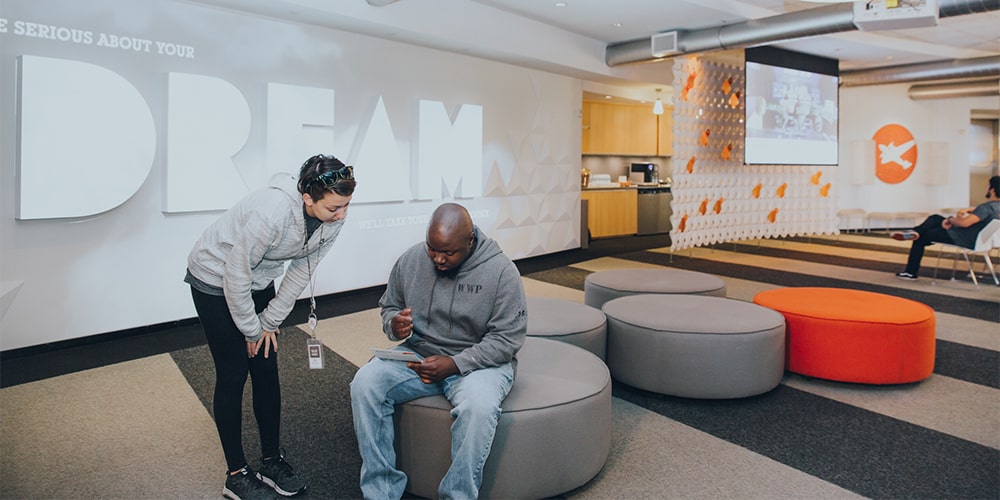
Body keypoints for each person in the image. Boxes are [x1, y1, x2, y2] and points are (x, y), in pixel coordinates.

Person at [185, 154, 356, 500]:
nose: (342, 215)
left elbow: (301, 271)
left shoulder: (333, 220)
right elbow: (235, 274)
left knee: (265, 367)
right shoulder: (273, 211)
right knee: (233, 372)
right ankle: (236, 474)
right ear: (308, 197)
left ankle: (271, 460)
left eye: (346, 206)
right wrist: (252, 329)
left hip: (258, 279)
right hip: (215, 277)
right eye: (334, 208)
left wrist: (269, 322)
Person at [350, 202, 527, 500]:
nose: (438, 258)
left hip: (479, 362)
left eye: (448, 252)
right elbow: (389, 306)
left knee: (479, 407)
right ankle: (380, 491)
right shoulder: (412, 258)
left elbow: (507, 339)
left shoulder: (501, 272)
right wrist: (395, 325)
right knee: (365, 383)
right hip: (419, 354)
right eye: (433, 249)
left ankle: (457, 495)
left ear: (470, 241)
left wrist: (455, 364)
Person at [892, 175, 1000, 280]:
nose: (987, 188)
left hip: (962, 238)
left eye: (988, 186)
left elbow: (964, 223)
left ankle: (911, 271)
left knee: (922, 237)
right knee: (935, 218)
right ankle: (915, 232)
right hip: (980, 240)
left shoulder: (985, 208)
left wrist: (950, 220)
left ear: (992, 190)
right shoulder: (995, 208)